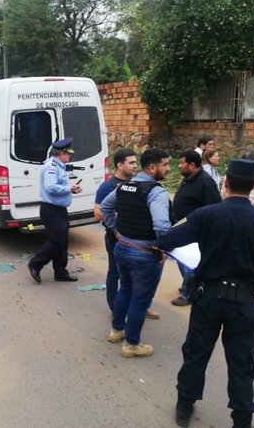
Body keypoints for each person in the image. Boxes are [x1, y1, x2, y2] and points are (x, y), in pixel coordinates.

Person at [156, 159, 254, 428]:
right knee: (242, 361)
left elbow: (167, 239)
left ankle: (185, 404)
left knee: (196, 352)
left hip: (208, 297)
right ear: (253, 187)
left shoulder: (206, 215)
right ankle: (242, 418)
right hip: (244, 303)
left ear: (225, 183)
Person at [100, 148, 172, 358]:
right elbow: (161, 224)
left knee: (125, 290)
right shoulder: (155, 192)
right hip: (144, 253)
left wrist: (117, 231)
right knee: (140, 299)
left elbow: (105, 208)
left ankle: (116, 331)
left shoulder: (124, 186)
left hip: (122, 249)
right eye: (165, 165)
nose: (168, 169)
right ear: (152, 167)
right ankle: (131, 344)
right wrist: (164, 247)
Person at [94, 149, 160, 318]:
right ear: (120, 165)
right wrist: (117, 229)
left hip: (137, 240)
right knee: (115, 274)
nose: (135, 166)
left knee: (137, 277)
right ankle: (115, 308)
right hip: (116, 239)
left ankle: (141, 306)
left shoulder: (136, 183)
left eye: (136, 162)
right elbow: (98, 213)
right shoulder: (107, 186)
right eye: (131, 163)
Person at [27, 138, 82, 284]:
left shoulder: (59, 166)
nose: (70, 156)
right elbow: (50, 187)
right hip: (51, 210)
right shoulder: (51, 167)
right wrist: (68, 188)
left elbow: (58, 186)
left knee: (62, 242)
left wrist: (72, 189)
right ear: (62, 154)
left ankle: (60, 272)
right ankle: (35, 263)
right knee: (56, 241)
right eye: (68, 153)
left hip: (59, 210)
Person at [170, 150, 221, 306]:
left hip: (195, 232)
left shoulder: (205, 183)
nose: (179, 166)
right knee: (181, 260)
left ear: (192, 165)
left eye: (182, 163)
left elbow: (214, 208)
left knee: (189, 264)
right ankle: (188, 286)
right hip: (182, 228)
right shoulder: (189, 179)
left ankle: (189, 293)